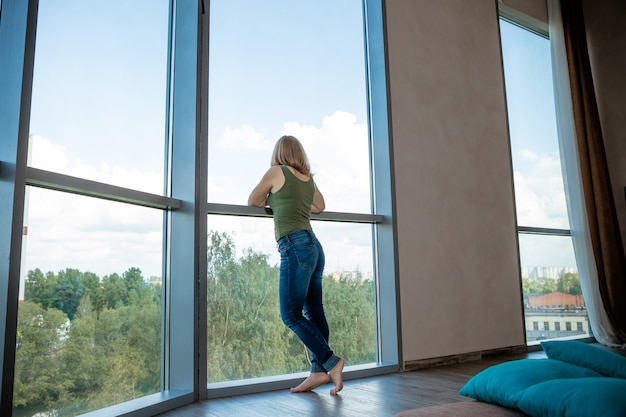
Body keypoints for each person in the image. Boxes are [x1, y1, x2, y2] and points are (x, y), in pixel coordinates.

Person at [248, 135, 344, 396]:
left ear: (279, 152)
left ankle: (330, 361)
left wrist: (275, 200)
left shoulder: (275, 171)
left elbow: (253, 201)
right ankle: (317, 372)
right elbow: (320, 207)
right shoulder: (307, 178)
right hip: (314, 245)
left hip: (294, 245)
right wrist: (294, 201)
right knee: (314, 311)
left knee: (290, 314)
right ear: (299, 153)